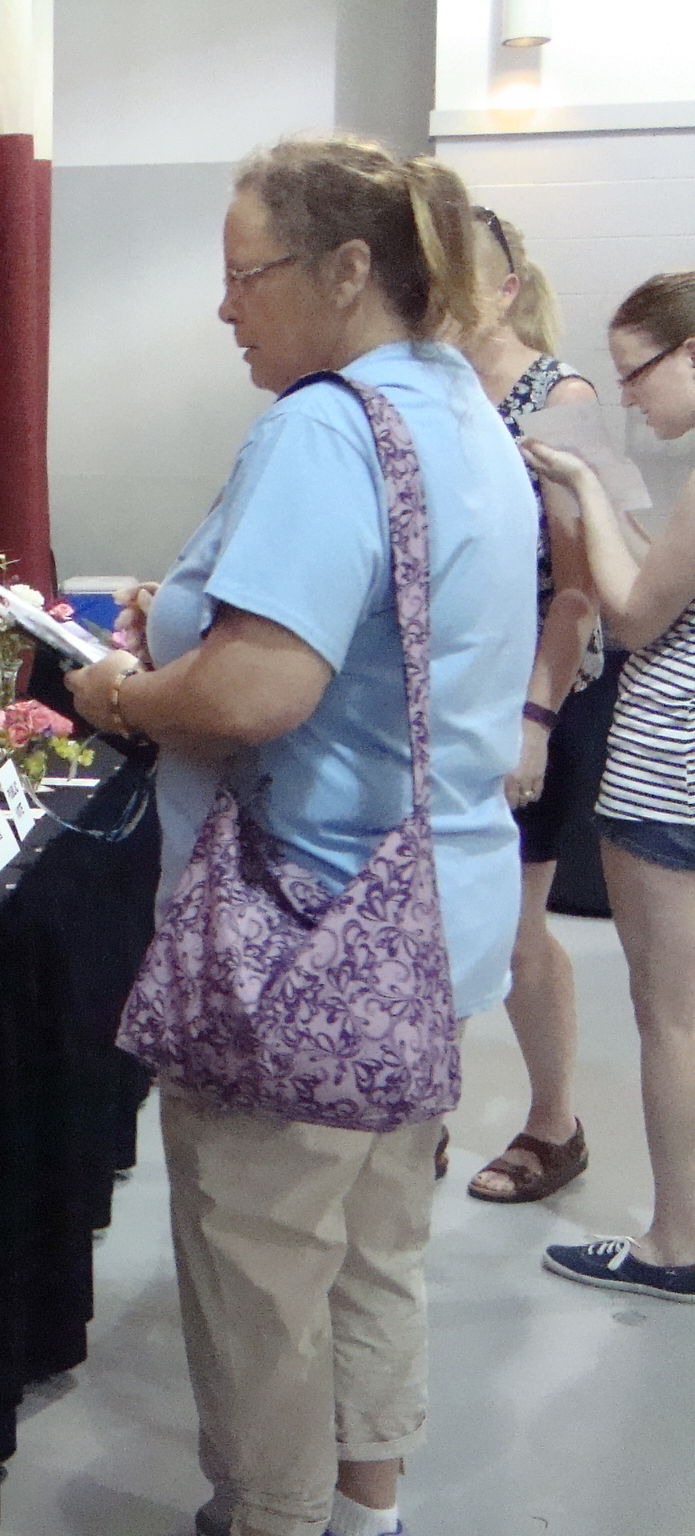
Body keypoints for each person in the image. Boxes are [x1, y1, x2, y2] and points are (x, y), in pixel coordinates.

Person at [66, 134, 537, 1536]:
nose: (225, 309)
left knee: (263, 1264)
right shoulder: (464, 416)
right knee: (379, 1245)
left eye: (243, 275)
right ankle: (365, 1504)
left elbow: (264, 691)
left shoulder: (328, 427)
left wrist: (128, 690)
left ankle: (271, 1514)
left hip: (311, 930)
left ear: (345, 271)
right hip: (431, 927)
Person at [524, 271, 695, 1302]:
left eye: (635, 373)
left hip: (668, 769)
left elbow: (630, 618)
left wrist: (580, 485)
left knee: (667, 1018)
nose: (626, 396)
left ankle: (671, 1243)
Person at [457, 208, 603, 1203]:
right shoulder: (422, 390)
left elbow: (579, 588)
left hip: (536, 693)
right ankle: (414, 1112)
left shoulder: (560, 397)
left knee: (511, 920)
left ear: (505, 287)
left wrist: (535, 718)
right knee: (429, 912)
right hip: (447, 694)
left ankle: (554, 1124)